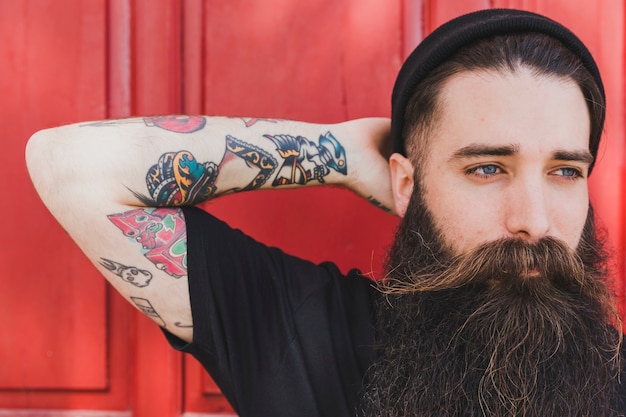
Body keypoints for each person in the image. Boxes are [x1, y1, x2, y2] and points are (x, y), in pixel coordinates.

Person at [25, 8, 625, 417]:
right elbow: (71, 165)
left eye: (565, 171)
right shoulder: (312, 336)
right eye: (486, 168)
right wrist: (334, 154)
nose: (535, 220)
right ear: (407, 185)